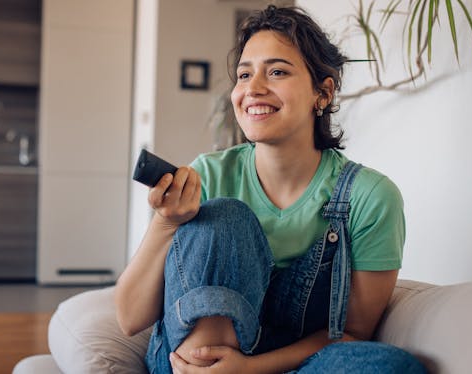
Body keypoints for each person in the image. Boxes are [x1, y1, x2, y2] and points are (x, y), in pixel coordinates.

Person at [115, 5, 427, 373]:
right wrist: (165, 224)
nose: (253, 89)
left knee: (392, 366)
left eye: (277, 71)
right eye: (244, 74)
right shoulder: (210, 174)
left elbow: (353, 332)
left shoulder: (370, 197)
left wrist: (250, 368)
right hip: (191, 362)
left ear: (322, 93)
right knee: (225, 215)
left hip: (291, 363)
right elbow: (130, 319)